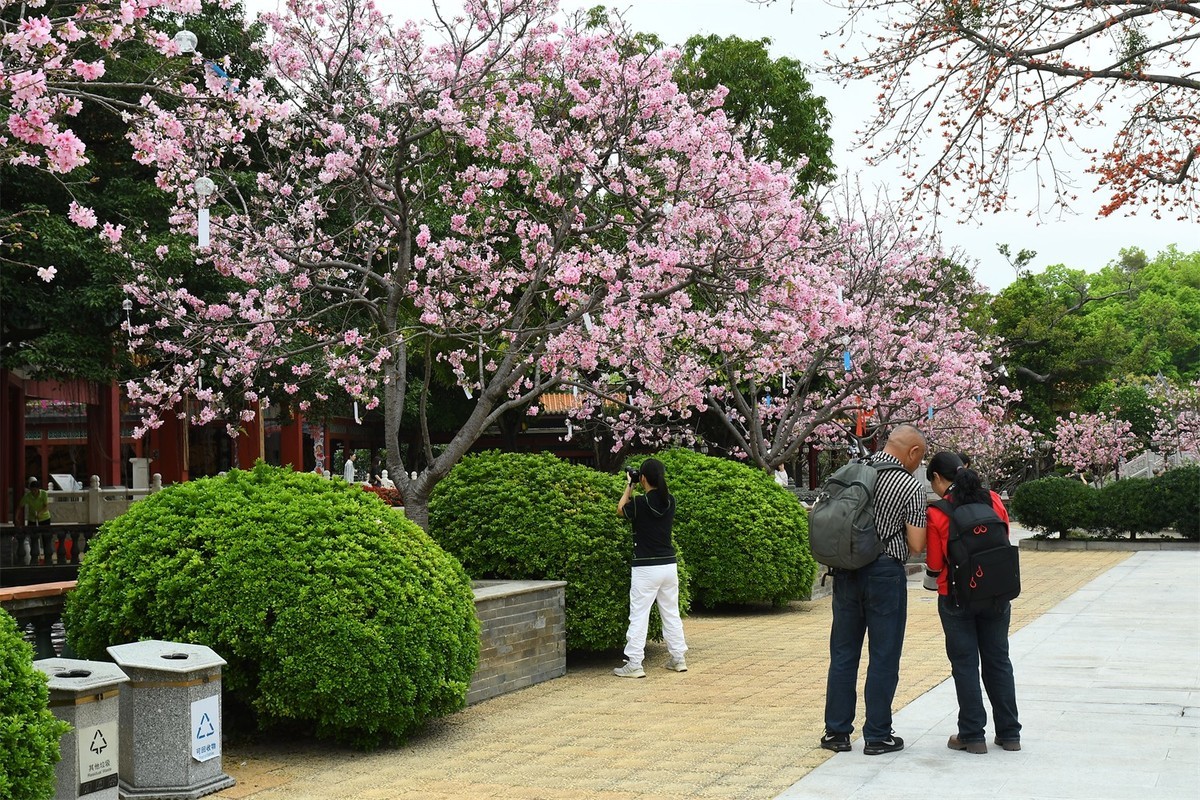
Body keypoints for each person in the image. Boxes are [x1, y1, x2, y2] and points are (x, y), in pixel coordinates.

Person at [821, 424, 927, 755]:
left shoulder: (852, 471)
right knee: (883, 654)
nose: (918, 465)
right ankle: (878, 735)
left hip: (846, 571)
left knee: (843, 653)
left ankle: (836, 733)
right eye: (919, 459)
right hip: (884, 574)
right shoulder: (909, 485)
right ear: (912, 452)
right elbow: (916, 543)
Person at [925, 451, 1021, 754]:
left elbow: (935, 564)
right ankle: (1009, 734)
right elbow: (1004, 537)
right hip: (996, 593)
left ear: (939, 479)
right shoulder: (993, 499)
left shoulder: (938, 512)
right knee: (998, 661)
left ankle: (972, 735)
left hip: (956, 598)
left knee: (965, 664)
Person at [614, 458, 688, 678]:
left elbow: (620, 509)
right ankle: (678, 658)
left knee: (639, 615)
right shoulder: (670, 501)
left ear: (643, 477)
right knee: (671, 613)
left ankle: (635, 663)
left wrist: (630, 485)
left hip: (645, 567)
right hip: (668, 565)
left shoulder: (639, 503)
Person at [17, 476, 53, 565]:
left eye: (35, 490)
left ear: (38, 489)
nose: (33, 492)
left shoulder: (44, 494)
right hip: (32, 519)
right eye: (32, 490)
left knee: (46, 538)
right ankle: (34, 558)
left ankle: (47, 558)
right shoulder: (28, 496)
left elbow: (46, 506)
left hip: (44, 518)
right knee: (33, 538)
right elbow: (19, 506)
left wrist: (40, 513)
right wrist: (16, 517)